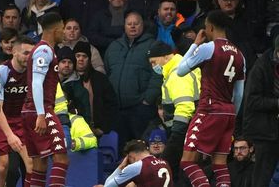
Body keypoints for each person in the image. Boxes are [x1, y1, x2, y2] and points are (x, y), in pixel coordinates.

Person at [177, 10, 245, 187]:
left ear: (211, 27)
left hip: (209, 110)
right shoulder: (240, 55)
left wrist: (195, 44)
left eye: (205, 27)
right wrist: (232, 115)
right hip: (228, 112)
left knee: (188, 161)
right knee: (220, 164)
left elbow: (180, 70)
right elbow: (239, 94)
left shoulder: (208, 48)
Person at [21, 12, 69, 186]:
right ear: (55, 29)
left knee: (39, 165)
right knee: (61, 159)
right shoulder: (44, 50)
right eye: (63, 29)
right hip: (40, 110)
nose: (65, 33)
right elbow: (36, 82)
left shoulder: (44, 49)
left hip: (29, 110)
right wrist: (41, 114)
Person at [104, 11, 162, 153]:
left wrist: (147, 100)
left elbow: (158, 75)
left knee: (142, 149)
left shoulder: (154, 46)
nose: (132, 27)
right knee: (120, 151)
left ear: (142, 25)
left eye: (136, 23)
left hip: (140, 109)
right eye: (129, 24)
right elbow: (107, 72)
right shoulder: (114, 47)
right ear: (124, 26)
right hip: (117, 110)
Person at [0, 36, 35, 187]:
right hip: (0, 120)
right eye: (26, 53)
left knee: (32, 167)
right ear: (14, 51)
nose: (29, 57)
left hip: (22, 121)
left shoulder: (35, 73)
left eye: (32, 54)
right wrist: (10, 135)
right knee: (2, 167)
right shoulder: (1, 72)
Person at [147, 41, 200, 179]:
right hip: (186, 130)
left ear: (165, 57)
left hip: (184, 131)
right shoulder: (176, 70)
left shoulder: (177, 74)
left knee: (172, 169)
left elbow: (184, 105)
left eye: (154, 62)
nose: (153, 66)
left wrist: (177, 133)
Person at [242, 35, 279, 187]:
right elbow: (251, 100)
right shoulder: (261, 67)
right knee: (262, 176)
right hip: (263, 131)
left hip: (274, 128)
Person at [102, 139, 173, 187]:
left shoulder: (137, 166)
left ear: (130, 156)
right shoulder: (165, 163)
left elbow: (108, 185)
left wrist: (121, 166)